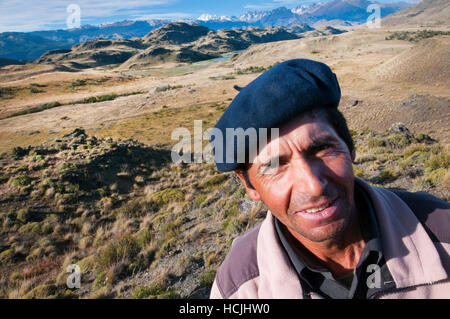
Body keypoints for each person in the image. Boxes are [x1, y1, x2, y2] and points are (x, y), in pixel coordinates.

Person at [209, 59, 450, 299]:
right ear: (249, 186)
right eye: (275, 166)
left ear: (350, 147)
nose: (313, 186)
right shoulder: (238, 288)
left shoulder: (443, 232)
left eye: (323, 148)